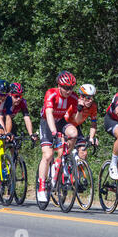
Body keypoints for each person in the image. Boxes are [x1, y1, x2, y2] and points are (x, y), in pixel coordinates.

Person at [37, 71, 80, 202]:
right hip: (47, 122)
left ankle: (62, 160)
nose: (68, 91)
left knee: (74, 133)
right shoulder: (51, 93)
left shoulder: (73, 96)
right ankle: (41, 187)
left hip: (60, 120)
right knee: (48, 155)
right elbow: (49, 114)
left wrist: (80, 109)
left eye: (71, 88)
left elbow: (76, 120)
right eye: (66, 88)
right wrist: (54, 133)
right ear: (59, 85)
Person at [64, 84, 99, 160]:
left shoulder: (93, 107)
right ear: (82, 97)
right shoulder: (73, 104)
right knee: (65, 151)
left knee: (83, 153)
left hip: (76, 127)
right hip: (64, 126)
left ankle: (79, 171)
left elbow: (93, 123)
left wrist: (91, 137)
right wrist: (79, 109)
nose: (91, 100)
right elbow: (77, 120)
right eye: (88, 98)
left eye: (92, 97)